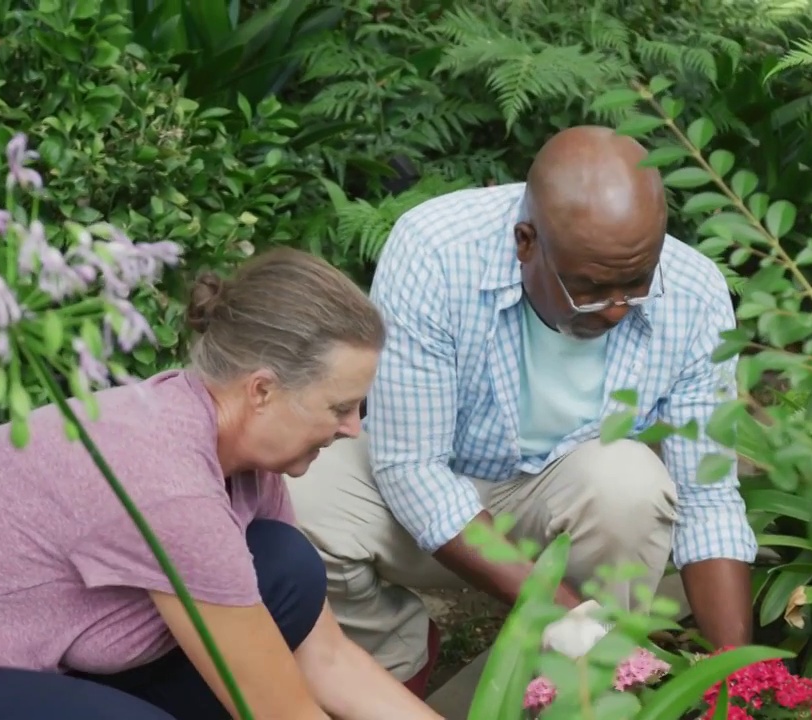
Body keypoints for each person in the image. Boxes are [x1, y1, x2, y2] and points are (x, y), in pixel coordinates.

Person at [285, 126, 759, 689]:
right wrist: (568, 614)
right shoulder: (436, 252)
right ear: (525, 242)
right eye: (589, 288)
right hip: (425, 491)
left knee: (631, 483)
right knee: (299, 502)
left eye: (636, 283)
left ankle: (567, 687)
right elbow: (412, 468)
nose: (614, 310)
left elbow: (708, 497)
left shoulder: (695, 294)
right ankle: (393, 669)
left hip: (569, 505)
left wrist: (743, 678)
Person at [0, 248, 443, 720]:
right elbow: (281, 712)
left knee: (283, 565)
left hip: (24, 655)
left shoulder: (244, 465)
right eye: (340, 407)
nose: (353, 428)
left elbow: (325, 658)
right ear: (263, 390)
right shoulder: (168, 479)